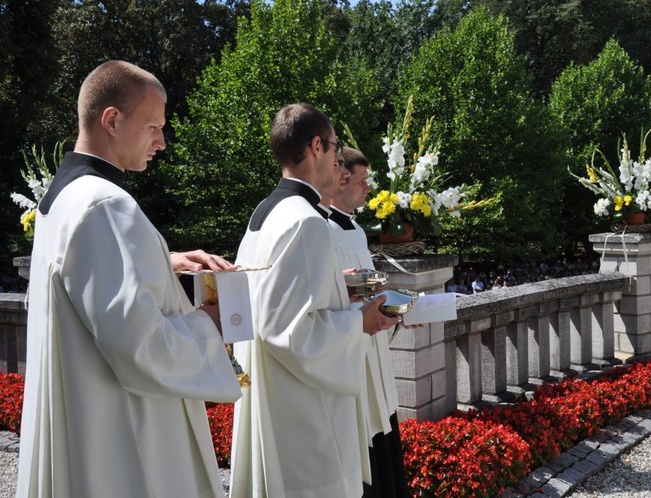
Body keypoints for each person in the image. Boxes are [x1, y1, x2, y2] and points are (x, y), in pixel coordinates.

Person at [16, 61, 242, 498]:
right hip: (124, 435)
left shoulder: (62, 195)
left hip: (84, 420)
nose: (161, 141)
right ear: (112, 120)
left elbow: (82, 281)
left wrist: (165, 260)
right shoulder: (104, 204)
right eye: (154, 126)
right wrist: (209, 324)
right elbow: (141, 344)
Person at [230, 104, 400, 498]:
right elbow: (290, 331)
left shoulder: (265, 212)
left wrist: (337, 288)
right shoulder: (306, 220)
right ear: (316, 146)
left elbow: (263, 301)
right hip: (301, 407)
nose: (338, 159)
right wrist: (361, 322)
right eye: (335, 148)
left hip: (266, 390)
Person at [329, 147, 409, 497]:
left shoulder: (357, 230)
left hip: (373, 347)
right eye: (360, 181)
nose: (367, 189)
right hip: (351, 351)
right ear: (340, 179)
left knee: (385, 427)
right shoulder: (322, 229)